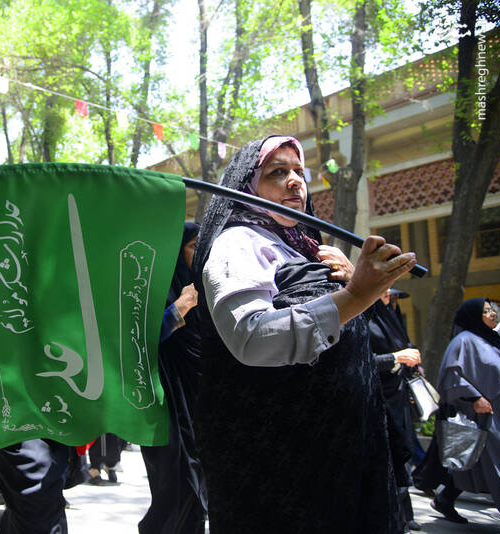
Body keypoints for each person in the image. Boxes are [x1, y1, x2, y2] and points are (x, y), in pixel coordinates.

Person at [191, 135, 417, 532]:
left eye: (299, 171)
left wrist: (354, 284)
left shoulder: (305, 248)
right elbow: (251, 337)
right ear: (247, 186)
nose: (296, 181)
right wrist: (355, 294)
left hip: (341, 456)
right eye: (277, 172)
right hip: (286, 470)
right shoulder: (237, 244)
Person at [139, 222, 207, 534]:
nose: (200, 253)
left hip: (199, 402)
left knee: (197, 488)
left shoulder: (207, 290)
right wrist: (179, 309)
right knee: (174, 485)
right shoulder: (158, 289)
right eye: (193, 246)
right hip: (165, 402)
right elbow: (141, 337)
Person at [429, 298, 500, 522]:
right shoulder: (463, 341)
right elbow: (451, 375)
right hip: (484, 415)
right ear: (474, 316)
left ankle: (445, 499)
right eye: (486, 311)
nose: (493, 314)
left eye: (492, 310)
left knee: (474, 462)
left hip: (497, 413)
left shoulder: (487, 339)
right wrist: (474, 399)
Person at [370, 288, 422, 532]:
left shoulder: (389, 317)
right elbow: (363, 359)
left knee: (402, 455)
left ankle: (405, 514)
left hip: (398, 397)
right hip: (379, 399)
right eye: (384, 290)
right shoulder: (365, 318)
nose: (389, 294)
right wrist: (396, 358)